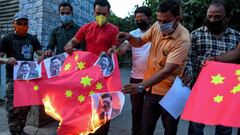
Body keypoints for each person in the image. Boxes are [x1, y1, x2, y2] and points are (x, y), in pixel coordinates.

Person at [117, 0, 191, 135]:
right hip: (152, 90)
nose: (161, 24)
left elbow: (166, 71)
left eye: (165, 21)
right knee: (145, 128)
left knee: (169, 130)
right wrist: (129, 36)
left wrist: (140, 86)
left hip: (171, 92)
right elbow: (139, 41)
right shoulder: (156, 26)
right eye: (159, 20)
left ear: (177, 19)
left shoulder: (183, 39)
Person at [183, 1, 240, 135]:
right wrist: (189, 75)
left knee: (224, 127)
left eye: (217, 17)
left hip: (226, 91)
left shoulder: (236, 37)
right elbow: (189, 58)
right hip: (201, 88)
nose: (212, 20)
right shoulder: (196, 35)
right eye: (209, 17)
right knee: (196, 126)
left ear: (227, 17)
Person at [64, 0, 119, 134]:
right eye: (98, 13)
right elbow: (73, 41)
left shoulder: (114, 29)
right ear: (93, 12)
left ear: (108, 13)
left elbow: (114, 48)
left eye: (104, 14)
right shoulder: (86, 28)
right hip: (88, 74)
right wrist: (69, 46)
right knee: (87, 106)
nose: (100, 16)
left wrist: (111, 51)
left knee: (104, 107)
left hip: (105, 75)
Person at [0, 12, 43, 135]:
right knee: (13, 109)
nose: (22, 26)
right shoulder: (6, 39)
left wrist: (42, 57)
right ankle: (15, 132)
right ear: (13, 24)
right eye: (19, 23)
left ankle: (21, 130)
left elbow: (41, 53)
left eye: (25, 24)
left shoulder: (32, 39)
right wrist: (6, 60)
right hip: (12, 79)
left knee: (25, 107)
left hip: (28, 79)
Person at [116, 6, 152, 135]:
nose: (138, 22)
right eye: (136, 20)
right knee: (136, 110)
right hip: (136, 78)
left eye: (141, 19)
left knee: (149, 111)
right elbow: (123, 49)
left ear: (149, 19)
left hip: (153, 78)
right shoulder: (133, 34)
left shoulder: (157, 33)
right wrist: (116, 51)